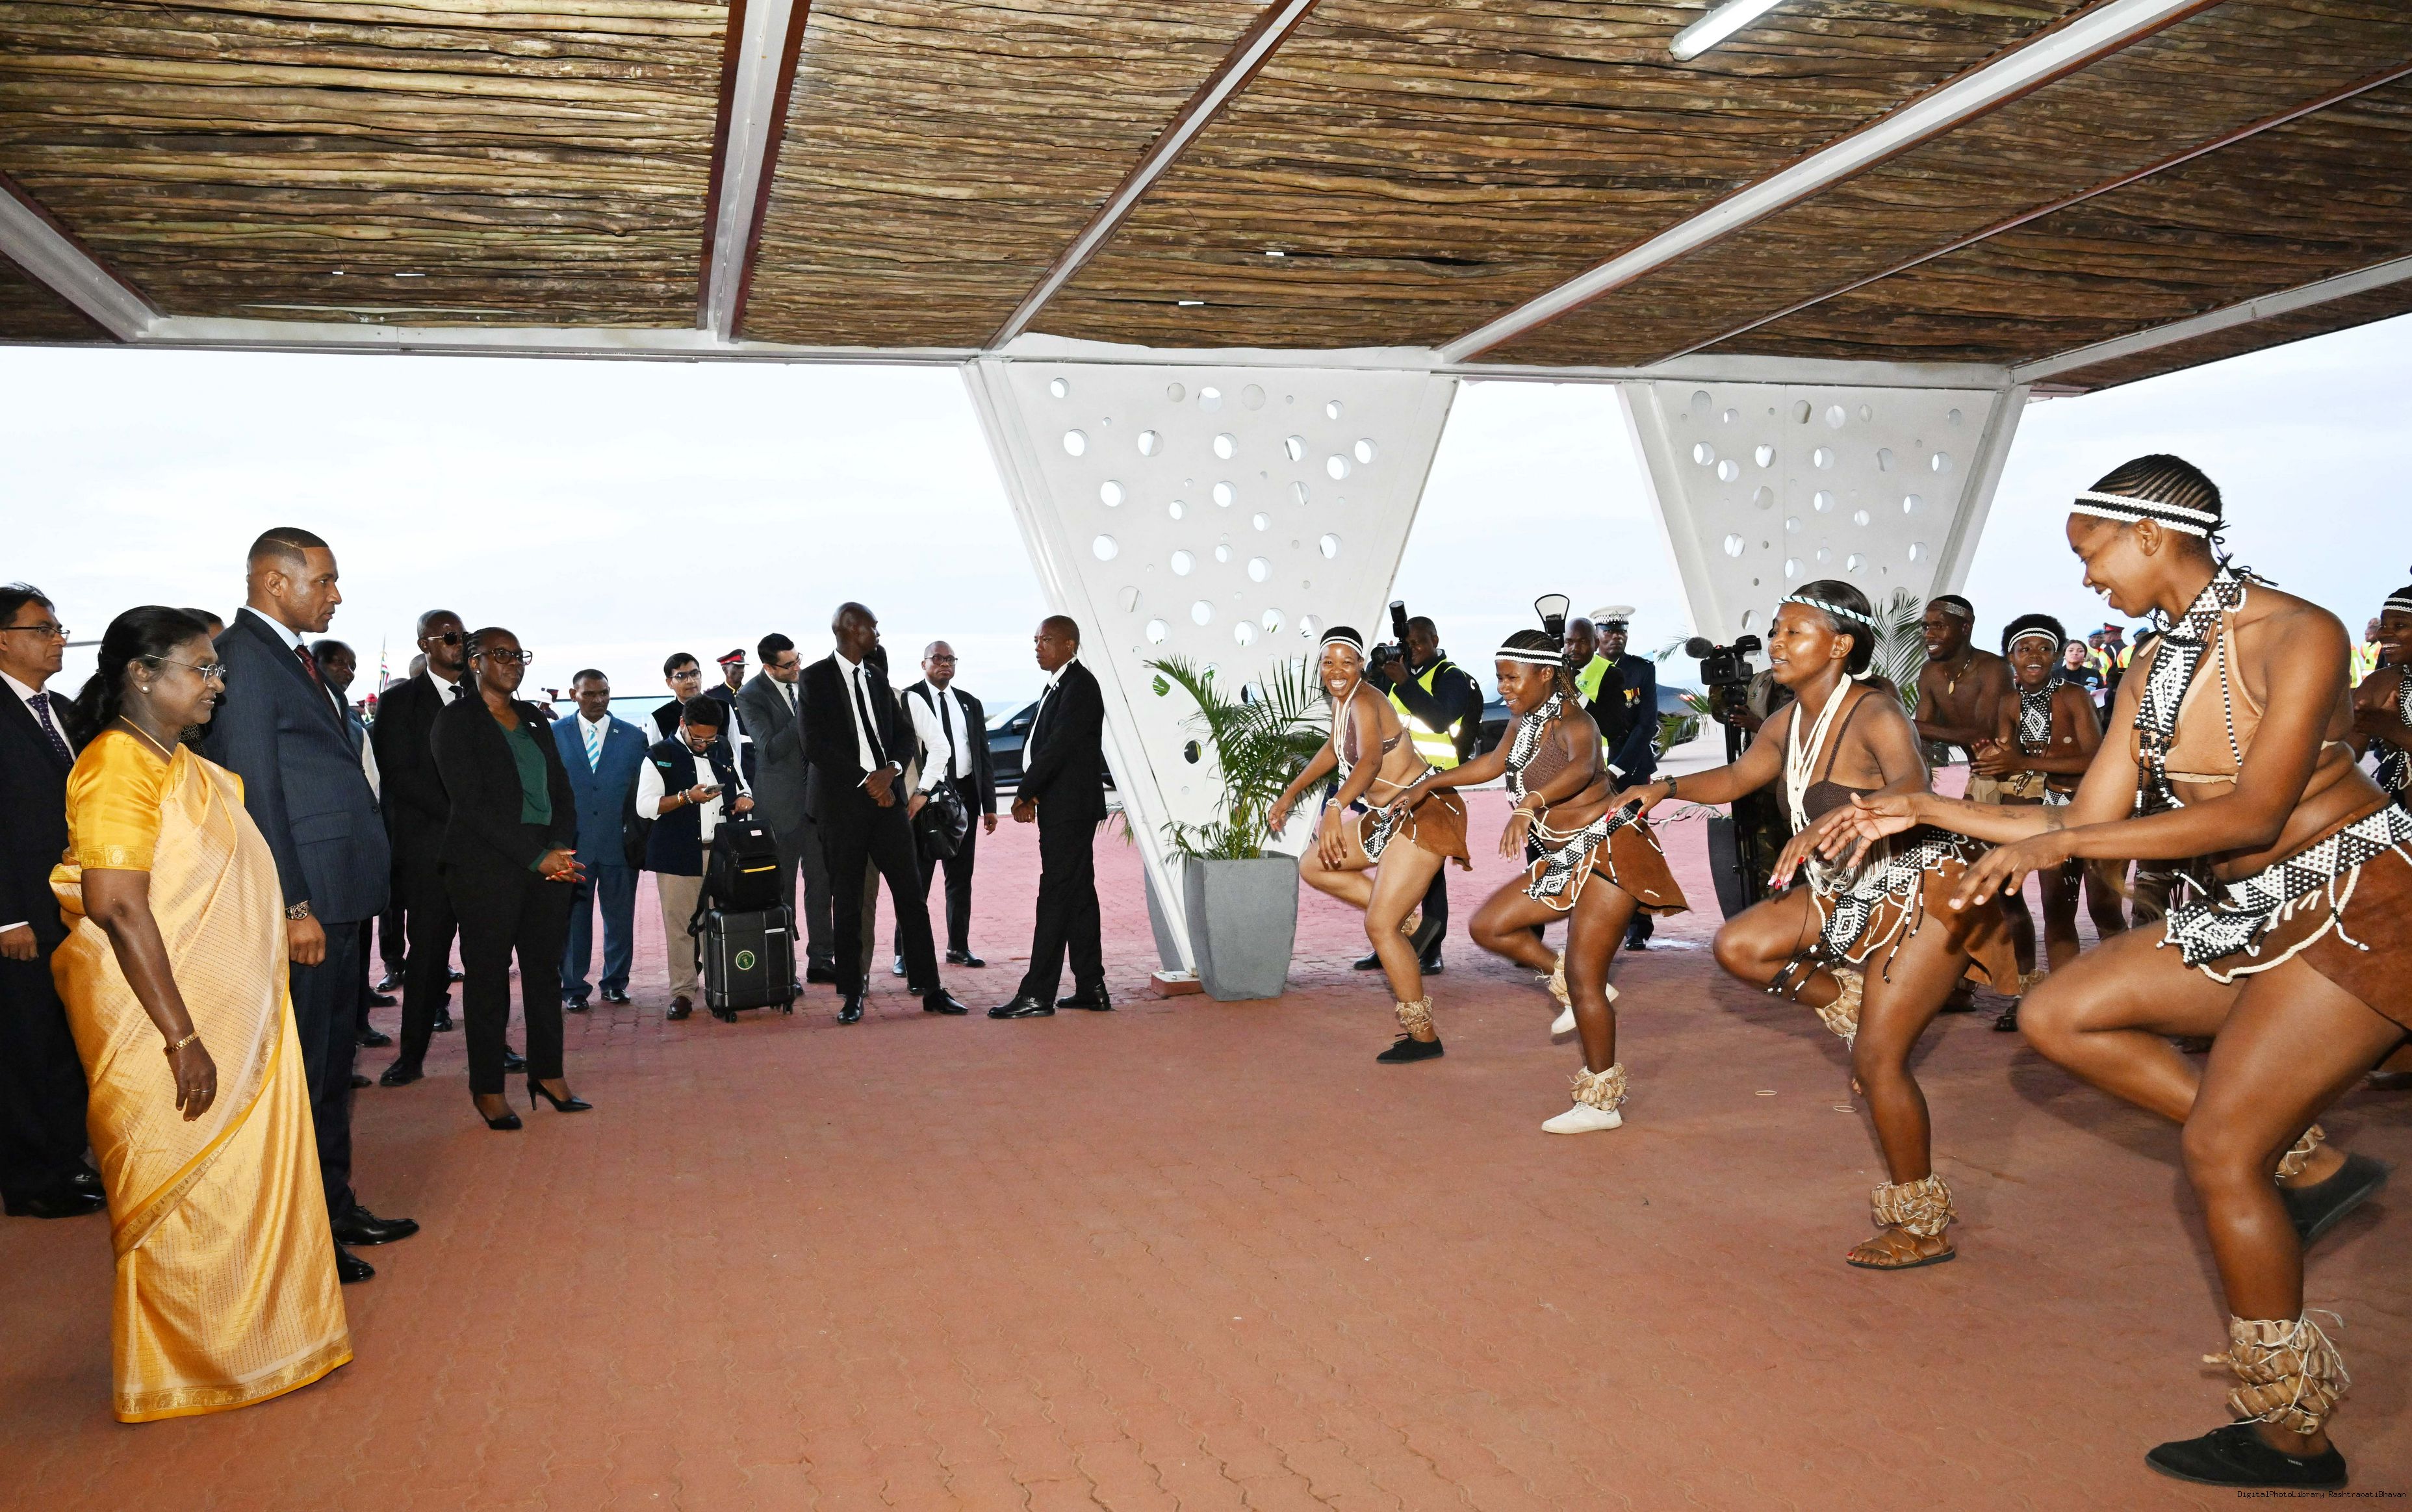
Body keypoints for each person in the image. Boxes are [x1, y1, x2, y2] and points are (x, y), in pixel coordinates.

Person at [1829, 457, 2399, 1487]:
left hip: (2357, 902)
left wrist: (2057, 846)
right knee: (2061, 1011)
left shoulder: (2298, 632)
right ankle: (2304, 1163)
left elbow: (2254, 813)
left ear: (2148, 533)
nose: (2087, 577)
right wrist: (1924, 808)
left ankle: (2291, 1434)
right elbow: (2083, 817)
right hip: (2252, 914)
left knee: (2220, 1148)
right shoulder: (2150, 669)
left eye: (2090, 551)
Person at [1629, 580, 2018, 1271]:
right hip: (1845, 890)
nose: (1776, 644)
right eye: (1775, 631)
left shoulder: (1874, 710)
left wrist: (1844, 816)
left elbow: (1912, 787)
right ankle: (1850, 999)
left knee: (1877, 1063)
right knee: (1740, 945)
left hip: (1920, 891)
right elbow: (1738, 778)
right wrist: (1662, 787)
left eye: (1793, 632)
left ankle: (1922, 1225)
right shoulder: (1786, 722)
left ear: (1839, 645)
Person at [53, 606, 352, 1420]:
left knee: (241, 1184)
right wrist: (181, 1036)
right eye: (203, 668)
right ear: (142, 675)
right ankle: (185, 1365)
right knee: (187, 1194)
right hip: (159, 1021)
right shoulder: (117, 766)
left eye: (218, 667)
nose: (218, 683)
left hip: (232, 1012)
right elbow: (118, 905)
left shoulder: (187, 765)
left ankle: (258, 1346)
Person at [203, 528, 415, 1283]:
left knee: (331, 1063)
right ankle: (304, 1232)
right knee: (304, 1068)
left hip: (337, 892)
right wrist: (293, 904)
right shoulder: (244, 659)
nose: (336, 595)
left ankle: (335, 1203)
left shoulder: (293, 657)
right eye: (323, 580)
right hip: (307, 901)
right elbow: (255, 791)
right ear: (273, 581)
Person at [1406, 624, 1687, 1123]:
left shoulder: (1576, 722)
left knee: (1586, 980)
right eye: (1500, 677)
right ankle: (1564, 980)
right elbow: (1492, 764)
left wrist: (1529, 804)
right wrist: (1430, 784)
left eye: (1511, 677)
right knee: (1489, 925)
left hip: (1609, 851)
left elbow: (1581, 769)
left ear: (1544, 675)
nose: (1503, 687)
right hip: (1565, 857)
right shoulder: (1524, 720)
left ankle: (1600, 1101)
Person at [1268, 627, 1472, 1064]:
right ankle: (1410, 924)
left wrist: (1335, 807)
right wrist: (1290, 793)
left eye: (1347, 662)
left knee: (1379, 925)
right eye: (1329, 663)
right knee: (1313, 864)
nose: (1337, 671)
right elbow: (1333, 749)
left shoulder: (1365, 700)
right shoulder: (1342, 703)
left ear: (1361, 665)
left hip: (1422, 810)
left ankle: (1424, 1037)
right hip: (1388, 815)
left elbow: (1370, 760)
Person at [432, 628, 591, 1129]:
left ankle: (548, 1073)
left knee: (545, 973)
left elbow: (561, 788)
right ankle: (488, 1087)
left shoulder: (534, 718)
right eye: (500, 654)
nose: (512, 662)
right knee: (488, 977)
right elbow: (470, 805)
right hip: (485, 865)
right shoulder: (456, 720)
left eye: (518, 655)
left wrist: (559, 848)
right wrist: (535, 856)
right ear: (475, 661)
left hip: (548, 861)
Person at [799, 604, 965, 1022]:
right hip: (842, 806)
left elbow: (904, 736)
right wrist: (866, 781)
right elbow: (814, 745)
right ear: (851, 629)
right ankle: (852, 993)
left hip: (888, 801)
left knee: (911, 895)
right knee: (849, 900)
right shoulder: (815, 678)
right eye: (873, 627)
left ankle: (931, 989)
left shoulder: (876, 677)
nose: (878, 634)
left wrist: (890, 772)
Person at [0, 583, 104, 1220]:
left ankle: (66, 1159)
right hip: (19, 915)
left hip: (71, 909)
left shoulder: (60, 710)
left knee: (65, 1041)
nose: (58, 639)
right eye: (43, 629)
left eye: (59, 628)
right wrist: (6, 915)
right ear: (3, 640)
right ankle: (31, 1176)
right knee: (25, 1047)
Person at [1968, 615, 2125, 1032]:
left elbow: (2094, 758)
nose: (2034, 656)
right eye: (2025, 649)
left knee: (2104, 907)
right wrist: (1991, 759)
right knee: (2057, 909)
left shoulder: (2073, 696)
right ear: (2011, 657)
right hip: (2054, 807)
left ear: (2056, 656)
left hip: (2098, 807)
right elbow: (2008, 759)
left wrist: (2021, 761)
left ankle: (2122, 999)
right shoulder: (2009, 703)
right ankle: (2066, 1002)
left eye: (2044, 649)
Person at [372, 611, 472, 1086]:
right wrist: (464, 813)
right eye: (449, 637)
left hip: (487, 856)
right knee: (428, 956)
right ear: (424, 645)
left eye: (463, 637)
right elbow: (397, 774)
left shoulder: (486, 695)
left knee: (488, 957)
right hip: (430, 853)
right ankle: (411, 1056)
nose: (459, 644)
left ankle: (495, 1046)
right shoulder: (399, 703)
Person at [990, 615, 1109, 1019]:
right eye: (1036, 640)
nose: (1038, 647)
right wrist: (1035, 790)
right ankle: (1091, 987)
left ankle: (1037, 994)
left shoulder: (1081, 686)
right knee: (1078, 895)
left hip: (1070, 810)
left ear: (1070, 645)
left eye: (1046, 640)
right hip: (1063, 806)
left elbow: (1059, 747)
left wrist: (1025, 792)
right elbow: (1045, 744)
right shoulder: (1059, 685)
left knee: (1055, 896)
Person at [1361, 615, 1481, 975]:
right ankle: (1391, 941)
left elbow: (1440, 719)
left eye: (1419, 642)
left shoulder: (1450, 676)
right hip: (1393, 787)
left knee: (1430, 873)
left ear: (1434, 640)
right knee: (1391, 867)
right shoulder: (1393, 676)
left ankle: (1431, 949)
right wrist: (1378, 673)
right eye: (1407, 644)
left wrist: (1405, 681)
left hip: (1434, 787)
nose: (1412, 649)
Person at [637, 697, 751, 1019]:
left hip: (720, 853)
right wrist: (687, 797)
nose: (704, 744)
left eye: (710, 738)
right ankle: (683, 992)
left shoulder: (722, 748)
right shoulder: (659, 755)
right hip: (676, 854)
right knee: (681, 926)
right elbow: (645, 806)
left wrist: (745, 797)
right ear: (683, 724)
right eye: (698, 737)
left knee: (717, 923)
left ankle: (721, 987)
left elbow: (741, 783)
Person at [311, 639, 395, 1062]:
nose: (348, 671)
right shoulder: (306, 715)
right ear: (315, 665)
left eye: (352, 665)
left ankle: (356, 1026)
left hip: (358, 850)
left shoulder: (353, 720)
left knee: (356, 949)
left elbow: (372, 784)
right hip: (321, 858)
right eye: (339, 664)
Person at [735, 632, 836, 984]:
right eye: (789, 665)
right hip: (779, 808)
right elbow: (770, 749)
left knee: (821, 886)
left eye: (798, 659)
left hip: (818, 804)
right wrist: (804, 712)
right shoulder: (750, 695)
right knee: (782, 892)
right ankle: (783, 968)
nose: (797, 668)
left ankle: (822, 960)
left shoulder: (807, 684)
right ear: (769, 667)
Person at [899, 640, 999, 967]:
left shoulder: (969, 703)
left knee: (960, 878)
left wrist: (989, 805)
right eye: (938, 658)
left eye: (951, 659)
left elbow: (982, 755)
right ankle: (905, 952)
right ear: (924, 664)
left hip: (964, 799)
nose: (945, 664)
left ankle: (958, 946)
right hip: (924, 800)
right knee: (917, 880)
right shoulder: (908, 699)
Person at [553, 669, 647, 1012]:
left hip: (618, 846)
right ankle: (574, 988)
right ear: (573, 695)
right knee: (574, 922)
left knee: (620, 919)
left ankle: (615, 983)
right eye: (589, 694)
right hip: (573, 847)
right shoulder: (554, 734)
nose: (598, 700)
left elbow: (641, 793)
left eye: (604, 693)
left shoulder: (634, 737)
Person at [2349, 582, 2412, 1092]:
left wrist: (2395, 731)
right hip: (2395, 819)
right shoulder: (2381, 681)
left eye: (2401, 625)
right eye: (2385, 624)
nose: (2387, 633)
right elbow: (2343, 750)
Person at [1595, 609, 1663, 949]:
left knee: (1632, 846)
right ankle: (1599, 919)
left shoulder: (1641, 670)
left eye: (1621, 630)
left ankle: (1638, 925)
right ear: (1596, 635)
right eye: (1608, 631)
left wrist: (1618, 769)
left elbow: (1646, 724)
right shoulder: (1582, 672)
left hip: (1631, 772)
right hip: (1589, 773)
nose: (1616, 636)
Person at [1912, 596, 2010, 777]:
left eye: (1939, 626)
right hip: (1979, 776)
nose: (1929, 635)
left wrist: (1902, 720)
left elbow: (1982, 736)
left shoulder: (1993, 668)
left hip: (2018, 777)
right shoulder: (1930, 672)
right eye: (1926, 627)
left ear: (1965, 628)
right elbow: (1925, 737)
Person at [652, 652, 706, 738]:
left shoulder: (723, 708)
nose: (691, 681)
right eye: (681, 676)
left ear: (701, 676)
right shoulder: (659, 719)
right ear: (670, 683)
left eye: (694, 674)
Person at [2055, 637, 2105, 708]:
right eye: (2071, 650)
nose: (2075, 653)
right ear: (2064, 655)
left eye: (2080, 651)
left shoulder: (2094, 674)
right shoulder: (2053, 675)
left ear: (2084, 656)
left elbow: (2101, 697)